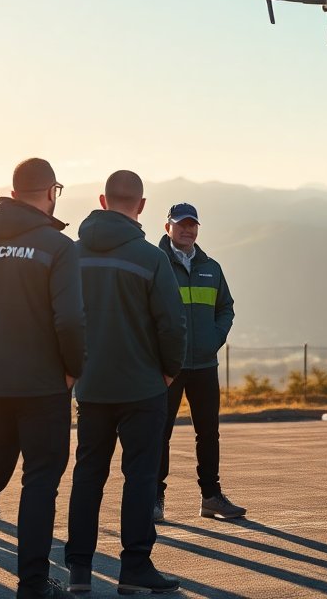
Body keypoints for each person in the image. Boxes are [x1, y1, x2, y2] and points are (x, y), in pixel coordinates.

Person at [0, 158, 85, 599]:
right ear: (51, 193)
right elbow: (70, 321)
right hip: (43, 387)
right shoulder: (58, 247)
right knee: (40, 482)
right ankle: (33, 585)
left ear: (12, 190)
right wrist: (71, 370)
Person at [66, 171, 187, 595]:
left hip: (91, 386)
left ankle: (79, 570)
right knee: (139, 477)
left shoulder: (72, 254)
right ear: (141, 205)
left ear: (102, 200)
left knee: (87, 475)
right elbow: (172, 323)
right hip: (142, 387)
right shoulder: (150, 257)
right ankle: (134, 567)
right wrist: (169, 371)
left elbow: (57, 319)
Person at [155, 203, 243, 522]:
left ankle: (211, 497)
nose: (187, 230)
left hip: (204, 365)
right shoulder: (155, 264)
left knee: (208, 433)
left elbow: (226, 308)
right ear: (168, 228)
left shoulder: (212, 268)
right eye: (181, 225)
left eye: (192, 225)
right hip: (167, 366)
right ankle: (155, 499)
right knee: (159, 432)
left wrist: (213, 339)